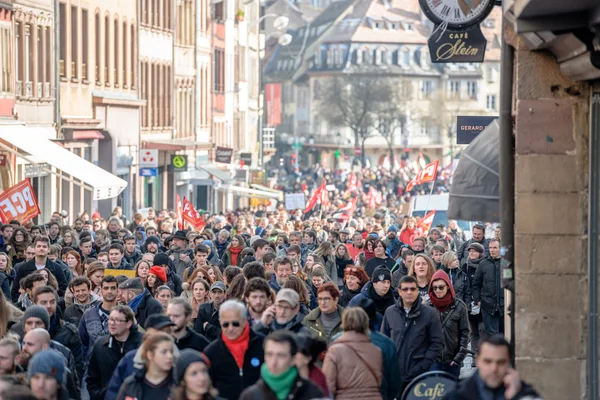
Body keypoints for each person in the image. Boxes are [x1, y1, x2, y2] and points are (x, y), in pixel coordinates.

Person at [381, 275, 443, 391]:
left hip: (420, 375)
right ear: (399, 291)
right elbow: (384, 342)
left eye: (413, 289)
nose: (409, 292)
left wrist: (423, 365)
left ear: (417, 291)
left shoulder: (429, 314)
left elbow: (437, 343)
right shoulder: (390, 312)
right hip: (396, 374)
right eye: (405, 289)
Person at [443, 335, 542, 400]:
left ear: (509, 363)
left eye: (501, 362)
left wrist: (517, 396)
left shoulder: (523, 391)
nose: (494, 368)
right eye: (488, 361)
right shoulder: (456, 394)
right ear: (478, 360)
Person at [204, 300, 265, 400]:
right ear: (220, 322)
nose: (230, 328)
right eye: (225, 324)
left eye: (235, 323)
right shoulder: (211, 352)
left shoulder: (263, 344)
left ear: (244, 320)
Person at [240, 330, 325, 400]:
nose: (274, 362)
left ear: (293, 359)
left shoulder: (312, 393)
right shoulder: (250, 395)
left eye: (281, 356)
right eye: (269, 354)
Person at [323, 307, 383, 400]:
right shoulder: (376, 351)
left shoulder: (334, 351)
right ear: (365, 323)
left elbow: (328, 384)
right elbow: (380, 382)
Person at [86, 305, 143, 400]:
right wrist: (98, 395)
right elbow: (92, 378)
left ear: (128, 323)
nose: (112, 323)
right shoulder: (100, 345)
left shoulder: (143, 345)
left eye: (117, 320)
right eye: (110, 319)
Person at [30, 286, 84, 382]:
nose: (49, 306)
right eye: (44, 303)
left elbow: (77, 368)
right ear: (34, 304)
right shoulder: (22, 330)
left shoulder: (69, 332)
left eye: (52, 302)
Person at [428, 270, 470, 379]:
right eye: (435, 288)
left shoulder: (460, 306)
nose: (438, 290)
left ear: (448, 286)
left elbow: (465, 334)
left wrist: (458, 359)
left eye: (441, 287)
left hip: (452, 361)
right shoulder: (427, 307)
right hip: (433, 361)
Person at [116, 332, 177, 400]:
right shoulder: (131, 384)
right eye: (164, 352)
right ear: (150, 355)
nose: (170, 356)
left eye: (171, 352)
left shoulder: (177, 385)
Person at [11, 236, 67, 303]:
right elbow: (16, 290)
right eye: (39, 246)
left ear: (48, 249)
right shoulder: (23, 268)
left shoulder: (57, 268)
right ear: (34, 249)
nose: (41, 248)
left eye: (44, 246)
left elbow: (63, 289)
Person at [78, 275, 118, 359]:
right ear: (101, 291)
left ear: (117, 290)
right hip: (92, 365)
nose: (109, 291)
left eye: (113, 288)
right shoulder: (89, 314)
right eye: (106, 288)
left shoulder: (126, 314)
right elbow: (82, 343)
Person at [473, 238, 505, 336]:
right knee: (492, 338)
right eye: (490, 247)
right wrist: (477, 300)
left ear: (501, 248)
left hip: (504, 307)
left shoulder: (506, 264)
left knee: (506, 337)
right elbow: (476, 284)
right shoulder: (483, 264)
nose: (492, 250)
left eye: (495, 247)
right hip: (488, 307)